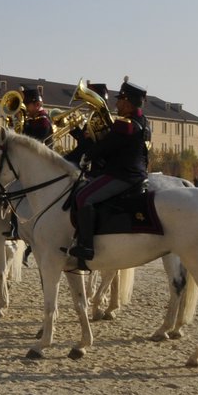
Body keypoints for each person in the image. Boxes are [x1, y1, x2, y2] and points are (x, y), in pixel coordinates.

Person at [67, 78, 151, 271]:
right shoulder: (143, 122)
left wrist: (87, 155)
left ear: (128, 102)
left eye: (120, 100)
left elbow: (104, 147)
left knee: (83, 197)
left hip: (123, 176)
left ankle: (86, 246)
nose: (116, 104)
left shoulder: (125, 125)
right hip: (135, 174)